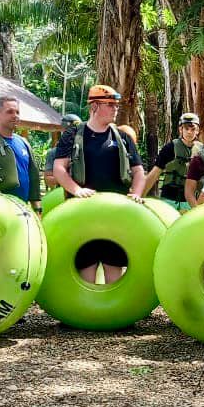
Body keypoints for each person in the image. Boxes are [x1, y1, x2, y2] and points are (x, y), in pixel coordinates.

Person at [51, 84, 145, 283]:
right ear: (94, 107)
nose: (115, 108)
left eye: (116, 105)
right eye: (109, 104)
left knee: (114, 264)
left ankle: (114, 313)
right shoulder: (73, 134)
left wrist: (136, 194)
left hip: (116, 214)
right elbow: (59, 168)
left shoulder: (123, 137)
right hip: (84, 214)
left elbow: (138, 172)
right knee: (86, 264)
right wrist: (76, 190)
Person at [145, 112, 201, 205]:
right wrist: (139, 194)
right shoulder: (170, 148)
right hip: (169, 200)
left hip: (190, 202)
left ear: (197, 130)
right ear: (180, 129)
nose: (189, 132)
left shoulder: (201, 151)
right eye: (186, 128)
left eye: (193, 129)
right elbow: (154, 174)